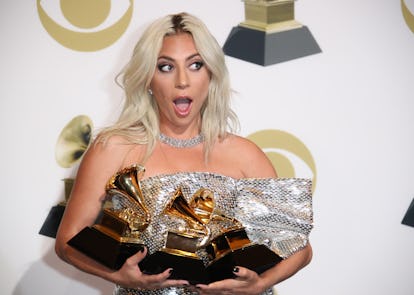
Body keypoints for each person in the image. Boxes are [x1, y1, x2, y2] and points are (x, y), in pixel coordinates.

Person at [55, 12, 313, 295]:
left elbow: (299, 248)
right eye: (165, 67)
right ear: (147, 78)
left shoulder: (245, 154)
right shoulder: (112, 148)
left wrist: (261, 283)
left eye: (195, 65)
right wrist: (120, 276)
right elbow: (67, 241)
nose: (182, 81)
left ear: (211, 74)